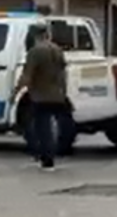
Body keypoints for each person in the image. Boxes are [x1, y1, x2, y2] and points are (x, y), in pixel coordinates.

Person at [15, 23, 69, 171]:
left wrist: (15, 92)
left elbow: (27, 76)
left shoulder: (35, 52)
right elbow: (63, 74)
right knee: (51, 126)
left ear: (33, 35)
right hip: (56, 94)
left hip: (40, 95)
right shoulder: (57, 50)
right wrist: (64, 92)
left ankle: (46, 158)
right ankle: (47, 154)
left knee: (40, 127)